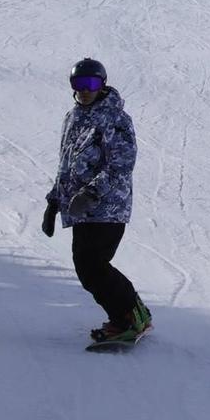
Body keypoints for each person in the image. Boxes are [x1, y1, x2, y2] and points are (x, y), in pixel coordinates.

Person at [40, 58, 151, 346]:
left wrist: (91, 193)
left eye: (91, 84)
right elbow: (67, 166)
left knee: (92, 266)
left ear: (102, 85)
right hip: (82, 210)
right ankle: (134, 314)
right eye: (80, 84)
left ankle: (127, 318)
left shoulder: (115, 118)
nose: (85, 90)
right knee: (89, 267)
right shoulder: (73, 117)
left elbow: (121, 165)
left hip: (107, 207)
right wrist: (54, 201)